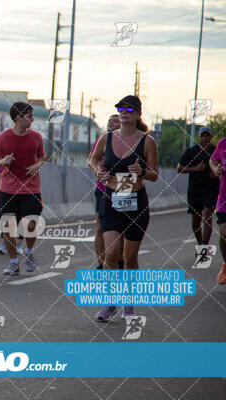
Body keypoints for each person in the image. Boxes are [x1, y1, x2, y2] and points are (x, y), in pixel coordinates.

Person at [89, 95, 158, 321]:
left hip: (136, 203)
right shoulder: (106, 138)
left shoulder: (147, 142)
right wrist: (98, 170)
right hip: (111, 199)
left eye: (129, 109)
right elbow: (93, 159)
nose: (123, 112)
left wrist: (142, 172)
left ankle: (128, 303)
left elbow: (155, 175)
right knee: (111, 253)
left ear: (138, 114)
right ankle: (109, 303)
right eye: (120, 108)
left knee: (129, 260)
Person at [0, 102, 46, 275]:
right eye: (29, 116)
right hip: (8, 189)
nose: (32, 119)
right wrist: (2, 161)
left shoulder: (36, 137)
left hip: (31, 189)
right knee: (8, 228)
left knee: (30, 225)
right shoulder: (2, 138)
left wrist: (37, 165)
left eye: (32, 115)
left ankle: (28, 251)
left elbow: (43, 157)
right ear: (18, 117)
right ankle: (14, 262)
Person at [88, 115, 124, 270]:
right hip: (103, 188)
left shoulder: (128, 141)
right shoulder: (102, 139)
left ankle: (121, 261)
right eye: (110, 119)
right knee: (100, 227)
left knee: (121, 229)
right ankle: (101, 262)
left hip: (123, 188)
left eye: (115, 120)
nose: (111, 122)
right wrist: (98, 171)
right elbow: (91, 159)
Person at [178, 126, 219, 255]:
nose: (205, 138)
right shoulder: (191, 152)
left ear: (211, 137)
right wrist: (195, 169)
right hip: (195, 190)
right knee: (196, 220)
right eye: (203, 135)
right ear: (199, 137)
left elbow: (222, 164)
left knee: (207, 215)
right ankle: (199, 242)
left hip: (211, 189)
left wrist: (217, 173)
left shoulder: (215, 151)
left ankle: (205, 249)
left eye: (208, 135)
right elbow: (179, 168)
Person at [208, 132, 226, 283]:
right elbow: (212, 161)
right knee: (224, 234)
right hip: (224, 199)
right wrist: (216, 170)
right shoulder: (223, 143)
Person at [0, 166, 25, 255]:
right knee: (5, 218)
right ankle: (5, 243)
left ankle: (18, 245)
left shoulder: (27, 159)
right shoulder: (4, 161)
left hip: (24, 194)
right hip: (6, 193)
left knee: (22, 219)